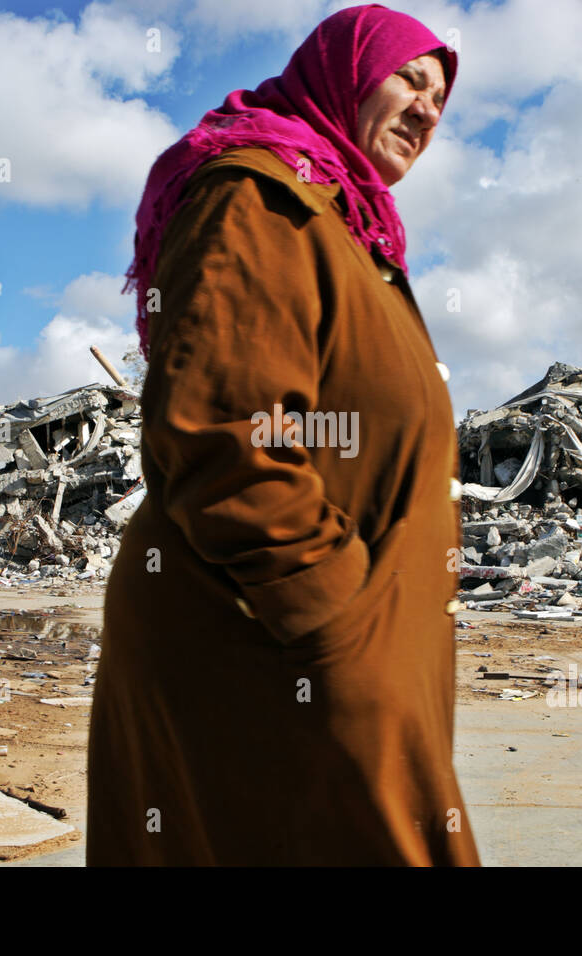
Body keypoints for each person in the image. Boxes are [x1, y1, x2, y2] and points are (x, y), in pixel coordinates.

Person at [87, 3, 480, 866]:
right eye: (409, 78)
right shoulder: (258, 197)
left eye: (442, 99)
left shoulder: (347, 229)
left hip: (327, 659)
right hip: (269, 655)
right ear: (342, 72)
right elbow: (221, 432)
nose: (427, 108)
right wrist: (333, 624)